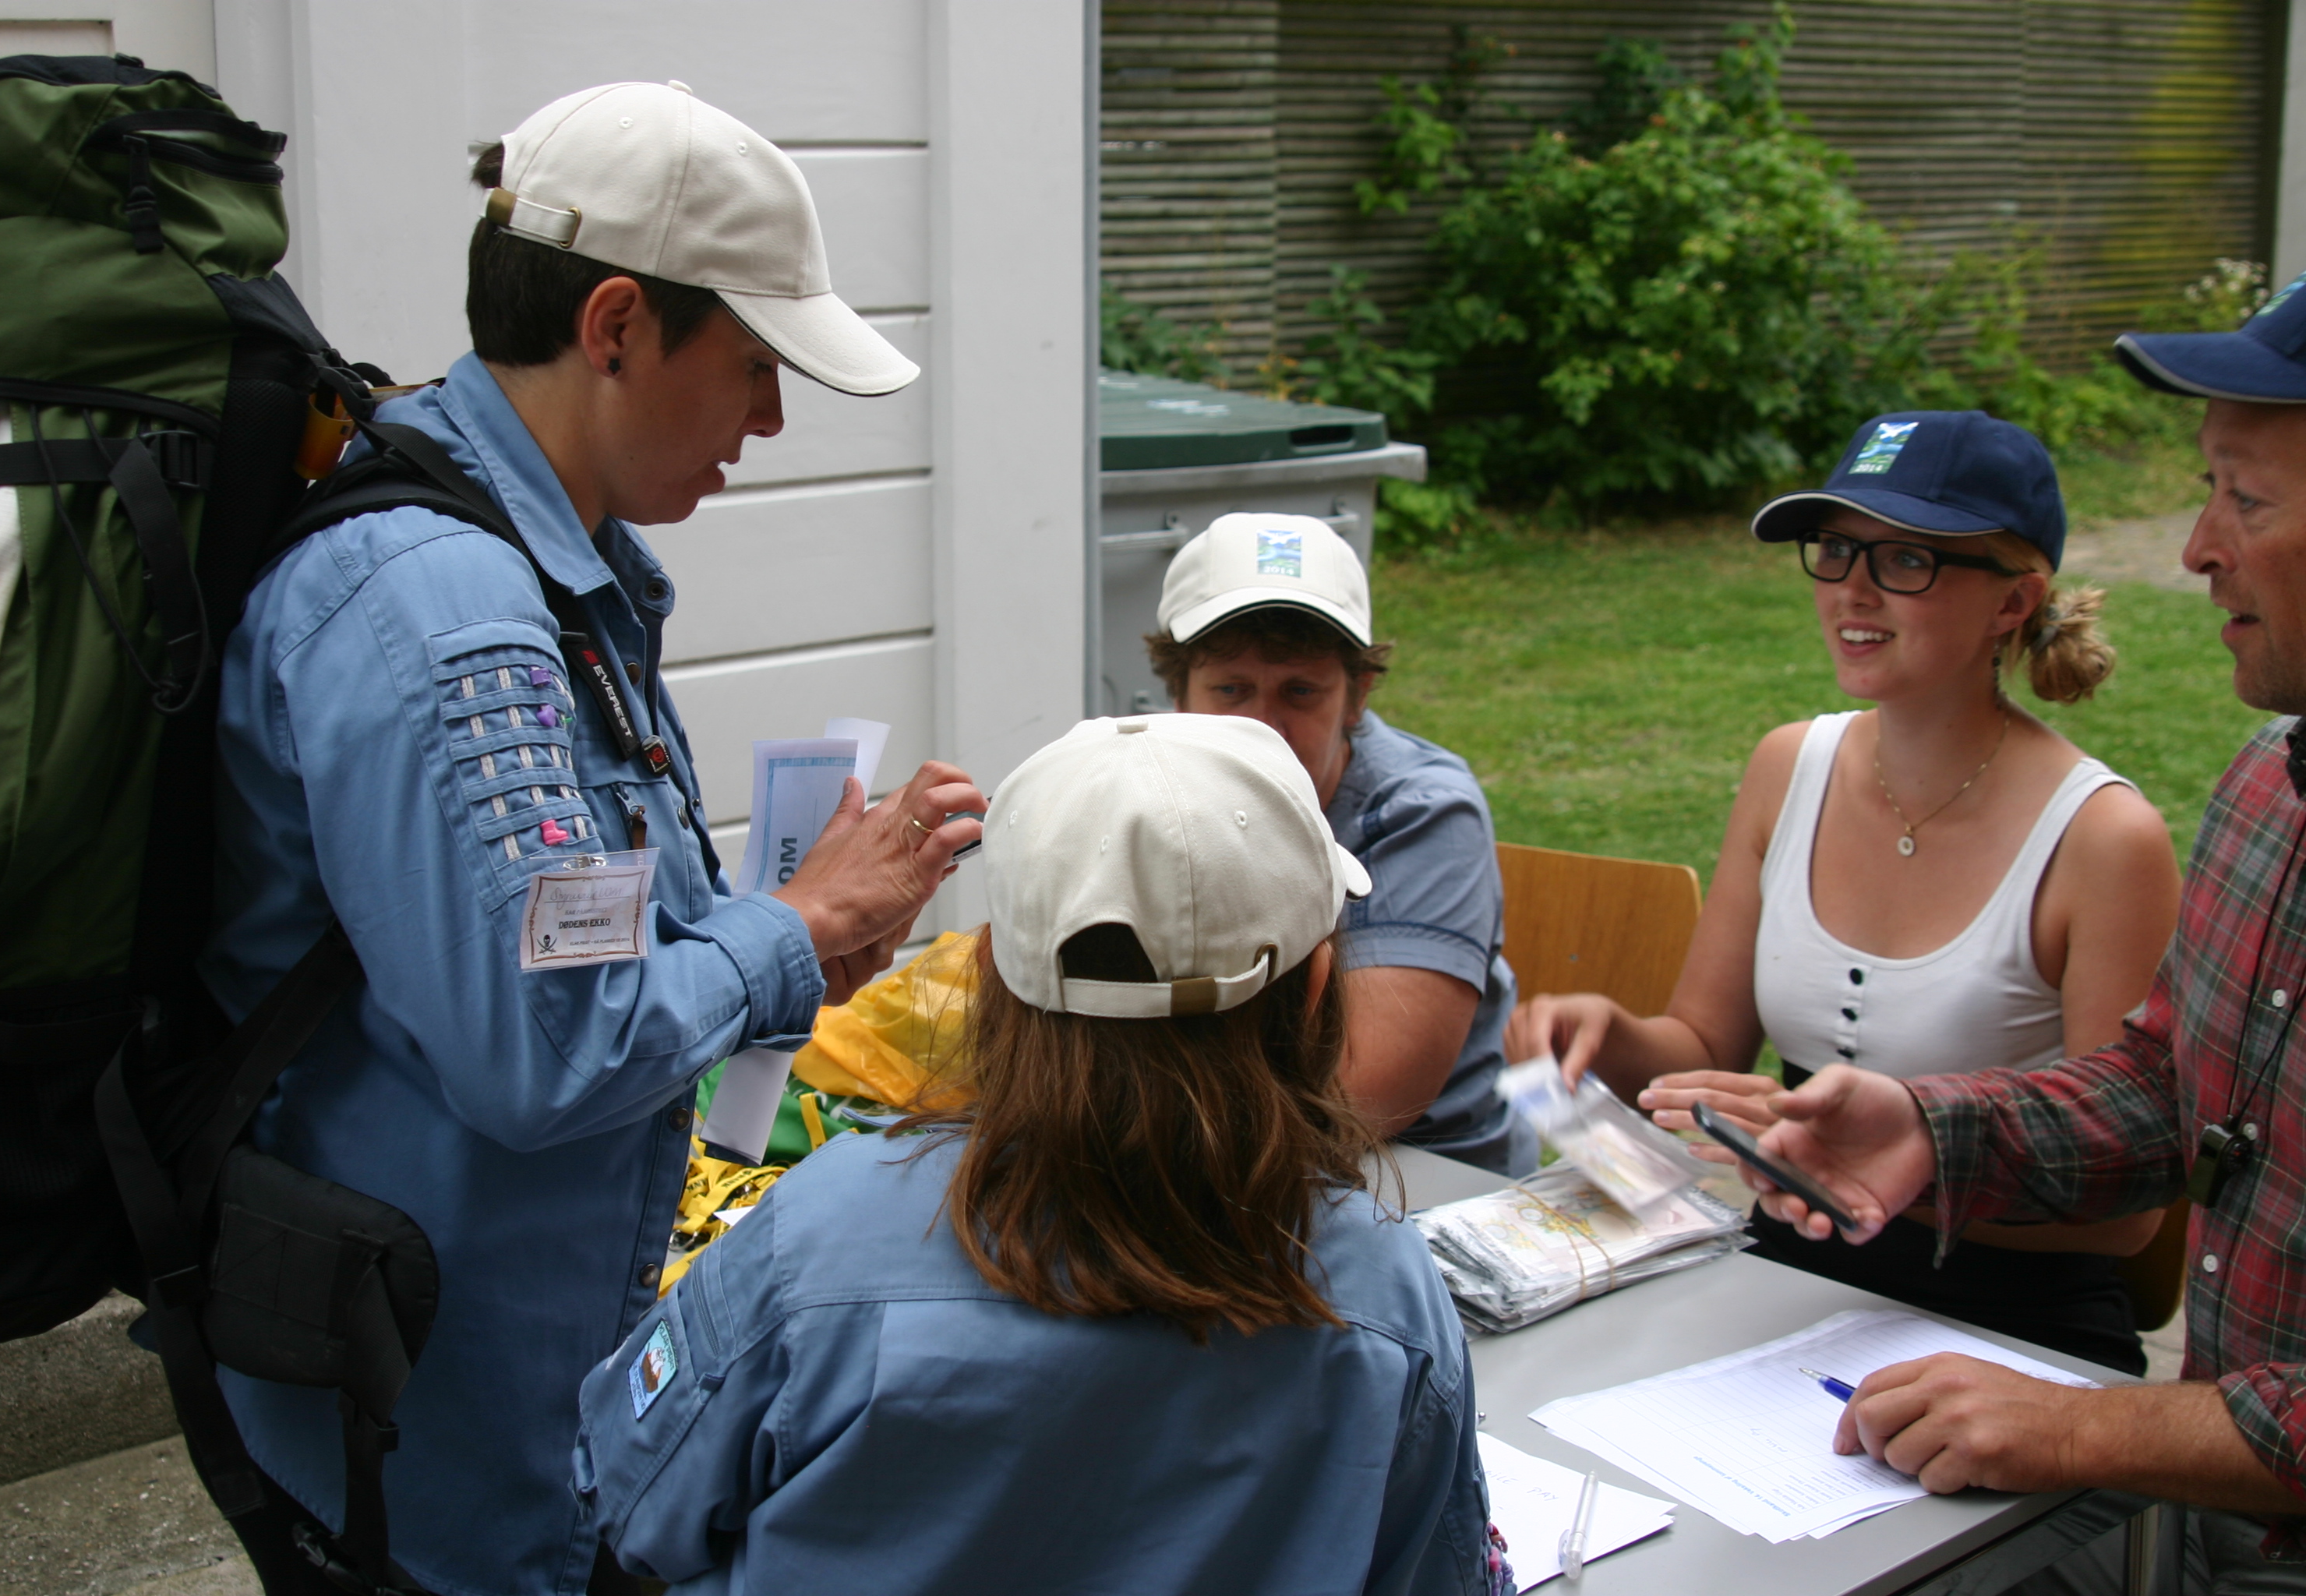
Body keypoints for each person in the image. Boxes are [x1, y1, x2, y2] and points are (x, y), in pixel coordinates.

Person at [201, 83, 983, 1595]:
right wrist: (796, 930)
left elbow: (583, 932)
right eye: (755, 366)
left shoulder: (552, 573)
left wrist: (800, 939)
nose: (769, 421)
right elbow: (548, 1050)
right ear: (617, 324)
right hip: (438, 1453)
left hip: (507, 1387)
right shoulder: (456, 618)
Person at [574, 712, 1503, 1595]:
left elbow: (629, 1496)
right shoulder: (1386, 1288)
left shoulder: (822, 1235)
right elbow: (1436, 1567)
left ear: (989, 978)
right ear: (1315, 992)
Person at [1740, 287, 2306, 1589]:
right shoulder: (2270, 792)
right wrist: (1926, 1131)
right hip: (2215, 1525)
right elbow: (2163, 1089)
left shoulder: (2108, 825)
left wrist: (2081, 1423)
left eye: (2247, 500)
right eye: (2207, 492)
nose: (2196, 548)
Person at [1510, 410, 2180, 1375]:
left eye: (1906, 559)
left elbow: (2126, 1212)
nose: (1853, 590)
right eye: (1835, 550)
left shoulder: (2104, 838)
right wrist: (1608, 1035)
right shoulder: (1789, 766)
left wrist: (1873, 1170)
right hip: (1787, 1293)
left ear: (2013, 599)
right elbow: (1703, 1048)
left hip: (2010, 1331)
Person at [1146, 511, 1535, 1175]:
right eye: (1232, 690)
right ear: (1177, 695)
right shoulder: (1137, 788)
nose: (1262, 726)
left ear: (1357, 696)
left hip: (1417, 1173)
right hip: (1209, 1146)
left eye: (1300, 692)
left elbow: (1362, 1098)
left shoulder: (1419, 813)